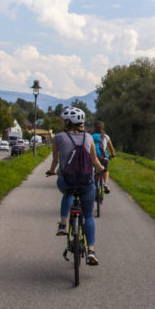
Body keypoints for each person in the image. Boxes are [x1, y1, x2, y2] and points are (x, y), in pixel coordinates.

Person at [46, 107, 105, 265]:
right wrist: (101, 169)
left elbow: (55, 160)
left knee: (67, 192)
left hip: (67, 181)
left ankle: (63, 224)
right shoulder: (88, 137)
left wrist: (52, 171)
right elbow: (94, 161)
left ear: (68, 121)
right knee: (88, 216)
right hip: (87, 182)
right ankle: (91, 251)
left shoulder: (58, 137)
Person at [91, 121, 116, 193]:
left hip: (92, 157)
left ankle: (90, 183)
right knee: (105, 170)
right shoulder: (106, 136)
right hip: (103, 157)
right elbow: (111, 149)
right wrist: (113, 154)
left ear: (94, 127)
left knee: (91, 170)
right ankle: (105, 183)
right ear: (103, 128)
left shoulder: (90, 136)